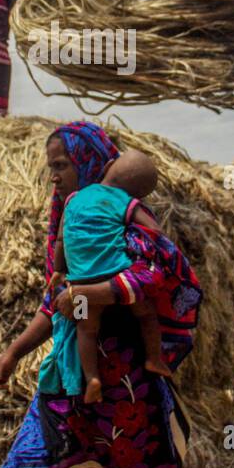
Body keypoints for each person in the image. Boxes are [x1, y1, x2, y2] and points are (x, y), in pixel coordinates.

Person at [0, 122, 202, 468]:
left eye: (61, 166)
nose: (53, 177)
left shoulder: (121, 218)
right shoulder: (71, 220)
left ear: (89, 162)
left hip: (125, 381)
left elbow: (157, 273)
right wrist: (13, 353)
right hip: (70, 375)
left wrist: (88, 294)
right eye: (51, 167)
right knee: (33, 467)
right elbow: (55, 303)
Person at [46, 149, 173, 403]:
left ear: (108, 167)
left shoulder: (73, 199)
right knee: (146, 314)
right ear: (138, 194)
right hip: (115, 278)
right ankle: (153, 358)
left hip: (80, 281)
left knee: (86, 329)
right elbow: (154, 231)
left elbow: (60, 240)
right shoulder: (125, 202)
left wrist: (59, 270)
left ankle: (92, 378)